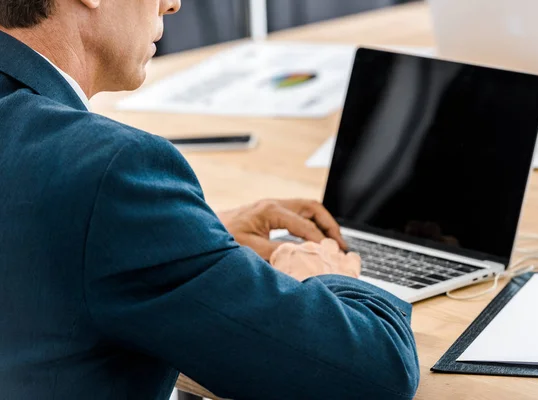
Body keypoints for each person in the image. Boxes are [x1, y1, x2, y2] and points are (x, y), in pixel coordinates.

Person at [0, 1, 419, 399]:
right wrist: (328, 276)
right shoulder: (112, 170)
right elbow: (376, 376)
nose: (173, 4)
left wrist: (187, 239)